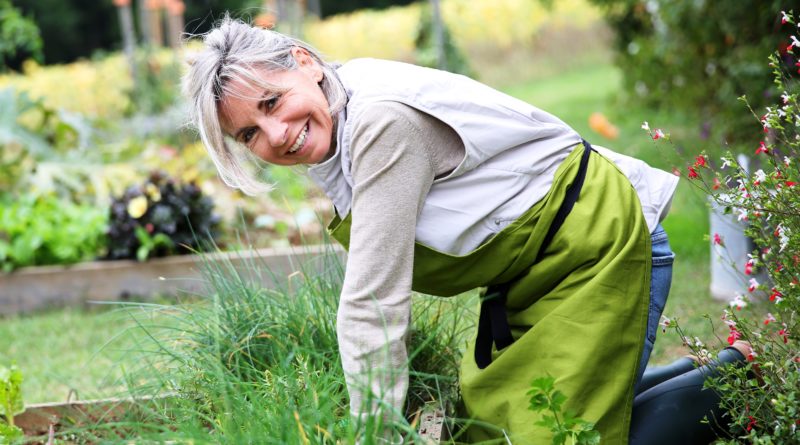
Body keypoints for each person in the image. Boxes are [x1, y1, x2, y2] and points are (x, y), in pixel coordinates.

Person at [182, 17, 747, 444]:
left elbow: (373, 297)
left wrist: (373, 432)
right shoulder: (342, 114)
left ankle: (746, 381)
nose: (275, 134)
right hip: (540, 268)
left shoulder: (380, 123)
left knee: (565, 434)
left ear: (304, 61)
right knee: (500, 430)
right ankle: (716, 372)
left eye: (272, 103)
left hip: (599, 244)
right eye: (249, 134)